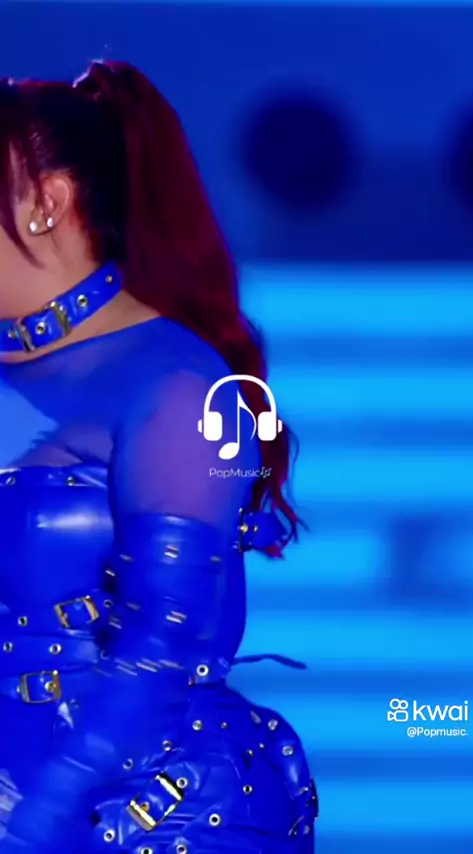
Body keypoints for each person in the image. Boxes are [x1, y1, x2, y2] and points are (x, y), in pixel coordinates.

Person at [0, 61, 317, 854]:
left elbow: (165, 644)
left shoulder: (176, 385)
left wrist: (36, 823)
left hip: (154, 821)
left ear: (46, 203)